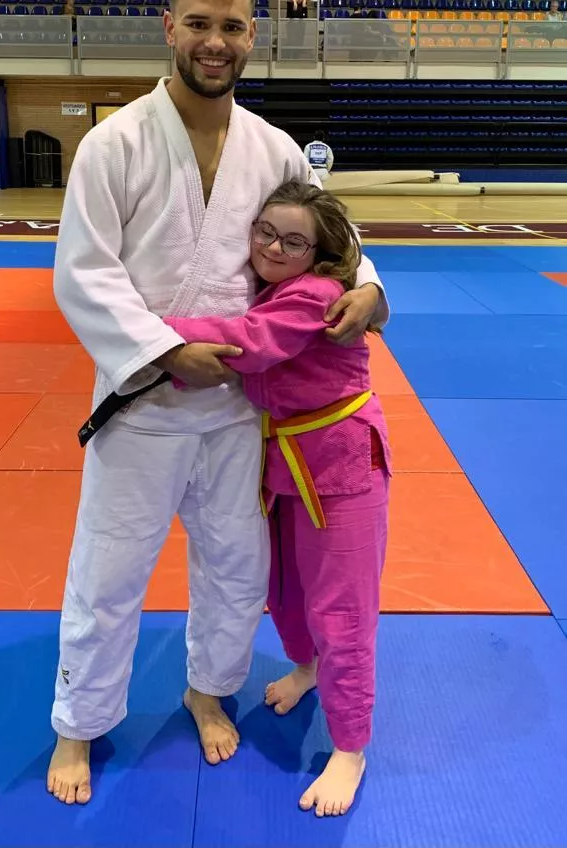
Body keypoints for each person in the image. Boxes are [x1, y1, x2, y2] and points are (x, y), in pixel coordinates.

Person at [46, 0, 388, 806]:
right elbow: (82, 273)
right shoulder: (112, 143)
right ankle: (80, 725)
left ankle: (208, 690)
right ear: (169, 27)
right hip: (141, 406)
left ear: (251, 35)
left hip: (241, 408)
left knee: (236, 568)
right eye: (198, 23)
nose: (215, 41)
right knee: (109, 571)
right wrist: (163, 351)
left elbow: (336, 243)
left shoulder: (275, 149)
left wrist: (375, 292)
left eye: (232, 26)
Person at [163, 181, 390, 818]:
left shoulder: (315, 294)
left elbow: (248, 343)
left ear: (318, 253)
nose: (273, 246)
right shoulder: (268, 287)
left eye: (294, 240)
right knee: (285, 592)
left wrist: (138, 324)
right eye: (265, 231)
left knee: (342, 607)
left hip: (343, 463)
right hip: (283, 462)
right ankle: (308, 667)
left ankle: (351, 747)